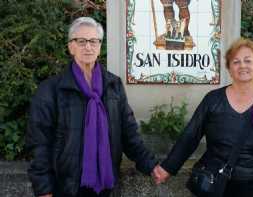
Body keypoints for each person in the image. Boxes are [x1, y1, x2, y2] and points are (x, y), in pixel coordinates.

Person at [26, 17, 159, 197]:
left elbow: (129, 134)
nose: (88, 47)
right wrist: (43, 189)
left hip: (105, 186)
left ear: (99, 46)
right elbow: (39, 143)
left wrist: (151, 166)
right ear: (70, 47)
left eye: (93, 41)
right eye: (81, 41)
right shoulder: (51, 90)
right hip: (66, 188)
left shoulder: (113, 85)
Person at [153, 38, 253, 197]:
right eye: (236, 62)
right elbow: (190, 136)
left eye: (248, 61)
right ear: (229, 69)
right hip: (217, 185)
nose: (242, 66)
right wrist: (168, 167)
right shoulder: (213, 100)